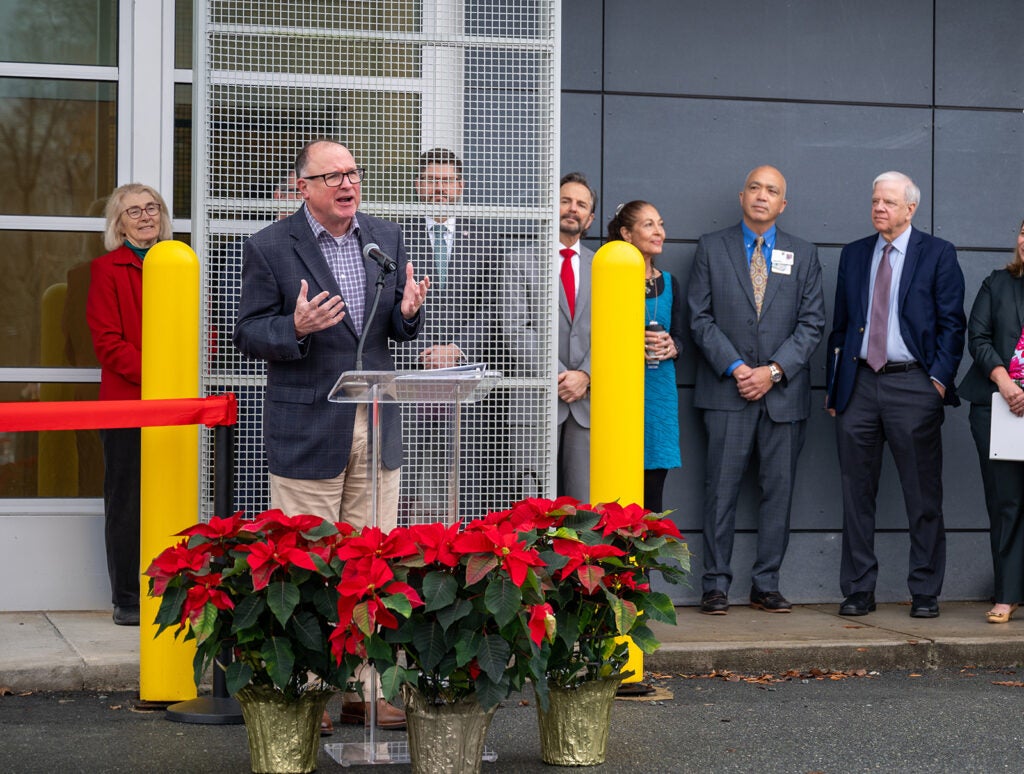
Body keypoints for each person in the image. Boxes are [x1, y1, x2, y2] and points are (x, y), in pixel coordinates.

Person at [233, 139, 429, 729]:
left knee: (373, 564)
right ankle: (309, 689)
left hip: (375, 421)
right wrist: (292, 326)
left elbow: (393, 326)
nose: (348, 184)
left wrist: (412, 311)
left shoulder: (385, 238)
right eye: (333, 176)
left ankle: (367, 690)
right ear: (304, 188)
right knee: (310, 563)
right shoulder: (269, 246)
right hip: (309, 424)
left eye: (353, 173)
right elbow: (248, 330)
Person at [826, 171, 966, 619]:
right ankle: (858, 590)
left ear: (910, 208)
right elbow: (842, 327)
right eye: (874, 201)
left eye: (888, 202)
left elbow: (952, 325)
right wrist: (836, 388)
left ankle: (925, 591)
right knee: (856, 495)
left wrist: (938, 383)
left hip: (914, 385)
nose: (879, 208)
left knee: (923, 496)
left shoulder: (938, 254)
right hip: (860, 384)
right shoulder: (854, 254)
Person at [688, 165, 825, 615]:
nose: (762, 196)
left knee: (778, 493)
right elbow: (700, 318)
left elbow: (812, 324)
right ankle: (715, 585)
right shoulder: (711, 248)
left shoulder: (804, 254)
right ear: (741, 195)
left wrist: (773, 371)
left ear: (783, 204)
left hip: (783, 397)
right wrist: (737, 368)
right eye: (754, 188)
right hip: (727, 392)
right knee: (720, 492)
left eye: (772, 191)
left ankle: (766, 584)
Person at [394, 148, 499, 520]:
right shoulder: (396, 236)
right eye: (431, 180)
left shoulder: (486, 239)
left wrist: (456, 348)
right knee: (400, 473)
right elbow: (388, 300)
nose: (439, 188)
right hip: (410, 373)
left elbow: (491, 307)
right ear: (418, 186)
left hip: (462, 377)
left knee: (463, 473)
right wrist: (424, 350)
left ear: (460, 187)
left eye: (447, 181)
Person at [86, 183, 172, 626]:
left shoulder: (180, 263)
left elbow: (203, 327)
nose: (144, 216)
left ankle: (173, 590)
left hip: (177, 403)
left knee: (172, 496)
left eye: (151, 208)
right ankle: (126, 596)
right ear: (118, 223)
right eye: (133, 211)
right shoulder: (105, 270)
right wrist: (160, 374)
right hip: (126, 402)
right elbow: (108, 344)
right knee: (127, 499)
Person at [501, 172, 596, 503]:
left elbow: (611, 332)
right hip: (536, 401)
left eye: (581, 205)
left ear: (590, 218)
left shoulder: (603, 267)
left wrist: (586, 375)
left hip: (587, 402)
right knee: (532, 506)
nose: (573, 209)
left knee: (584, 508)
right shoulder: (519, 261)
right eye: (565, 201)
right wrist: (561, 375)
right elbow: (515, 327)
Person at [957, 219, 1024, 623]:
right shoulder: (997, 283)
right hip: (999, 408)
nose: (1023, 240)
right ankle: (1007, 594)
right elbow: (977, 338)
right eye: (1022, 232)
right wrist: (1005, 382)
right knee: (1006, 503)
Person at [606, 201, 683, 512]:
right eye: (648, 224)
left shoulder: (671, 282)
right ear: (626, 233)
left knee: (652, 499)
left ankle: (644, 563)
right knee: (615, 495)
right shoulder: (608, 274)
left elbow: (682, 335)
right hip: (619, 394)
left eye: (660, 224)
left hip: (659, 393)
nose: (659, 231)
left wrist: (674, 346)